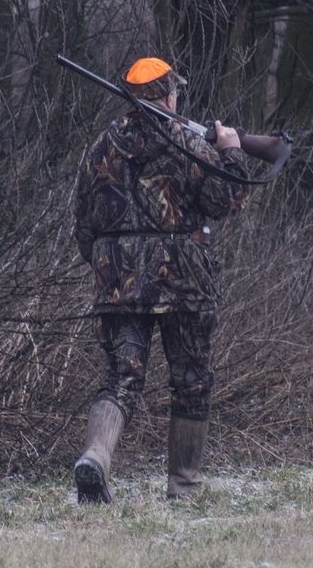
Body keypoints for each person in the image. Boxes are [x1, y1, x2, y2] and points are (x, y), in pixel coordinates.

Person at [72, 56, 252, 503]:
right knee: (191, 379)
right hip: (184, 278)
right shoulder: (186, 143)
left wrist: (109, 265)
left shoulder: (100, 147)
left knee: (120, 378)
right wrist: (231, 149)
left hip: (119, 281)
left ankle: (96, 456)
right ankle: (183, 489)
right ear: (169, 95)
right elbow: (227, 198)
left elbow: (82, 223)